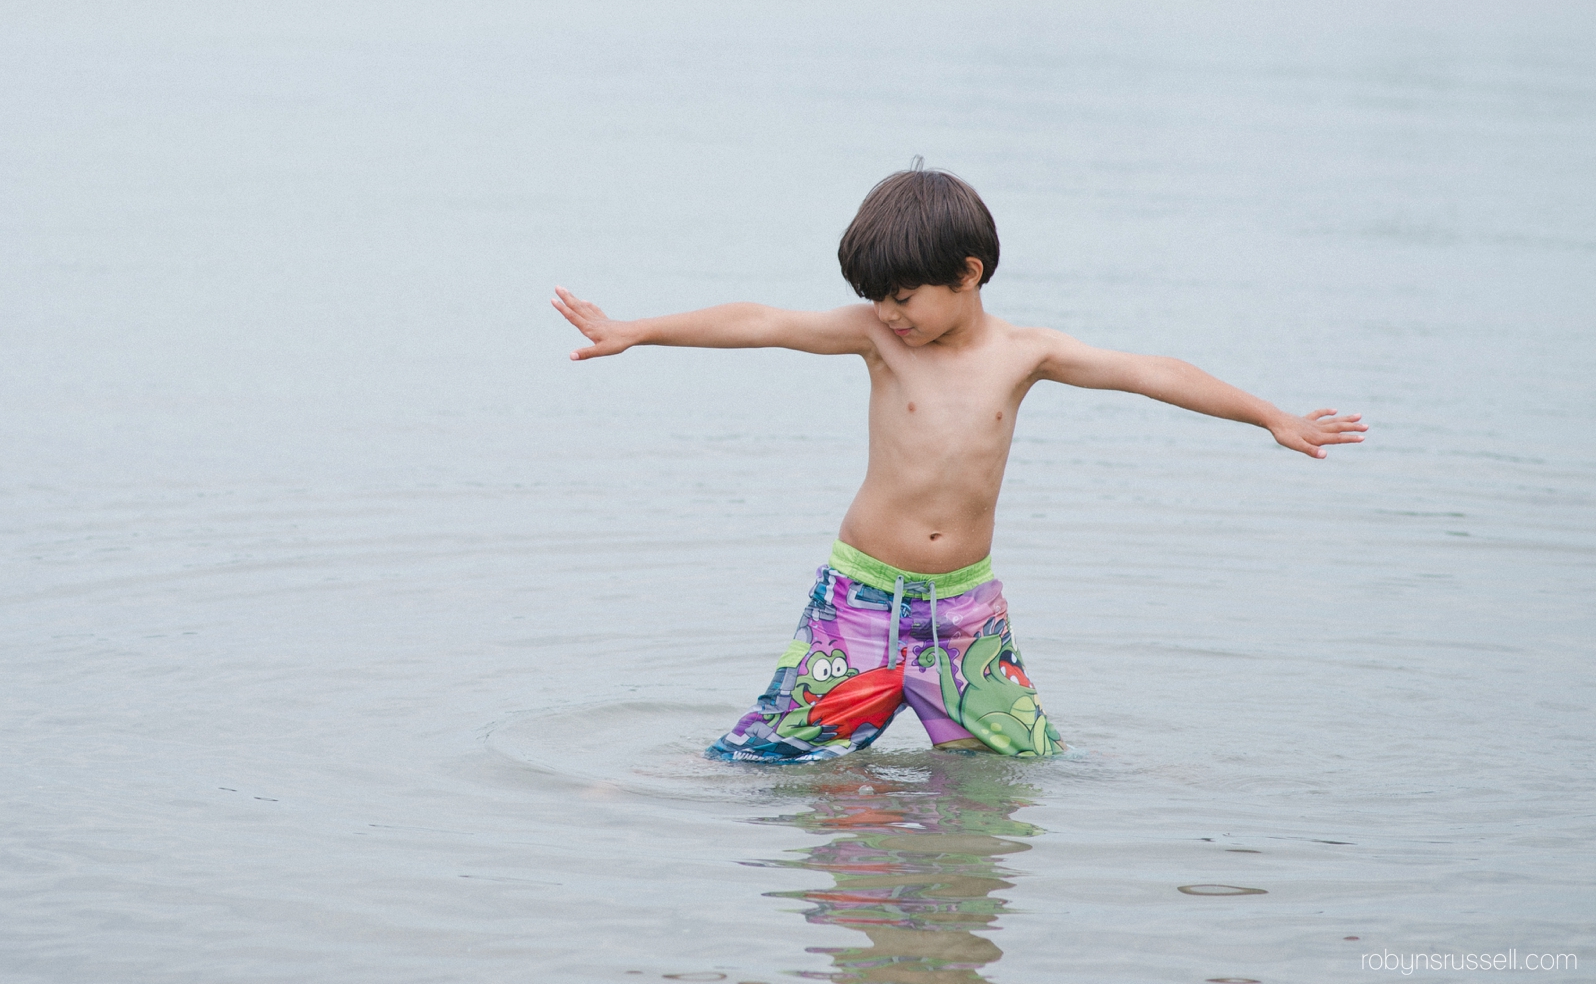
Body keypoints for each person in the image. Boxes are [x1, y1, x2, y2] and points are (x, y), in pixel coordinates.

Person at [552, 168, 1366, 763]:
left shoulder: (1025, 355)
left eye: (904, 294)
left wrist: (1271, 416)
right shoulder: (873, 337)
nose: (888, 312)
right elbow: (762, 320)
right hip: (861, 597)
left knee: (1022, 765)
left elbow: (1150, 370)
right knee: (774, 759)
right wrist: (639, 328)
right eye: (877, 296)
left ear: (968, 273)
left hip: (965, 617)